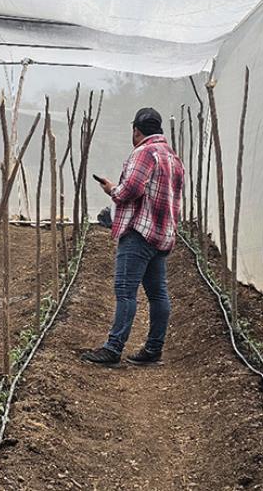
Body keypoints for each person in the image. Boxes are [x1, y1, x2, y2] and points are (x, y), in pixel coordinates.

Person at [81, 107, 184, 367]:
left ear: (136, 131)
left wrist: (111, 189)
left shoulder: (145, 152)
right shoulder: (172, 157)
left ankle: (113, 348)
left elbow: (131, 190)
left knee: (125, 291)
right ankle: (153, 349)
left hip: (140, 233)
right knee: (157, 293)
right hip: (162, 234)